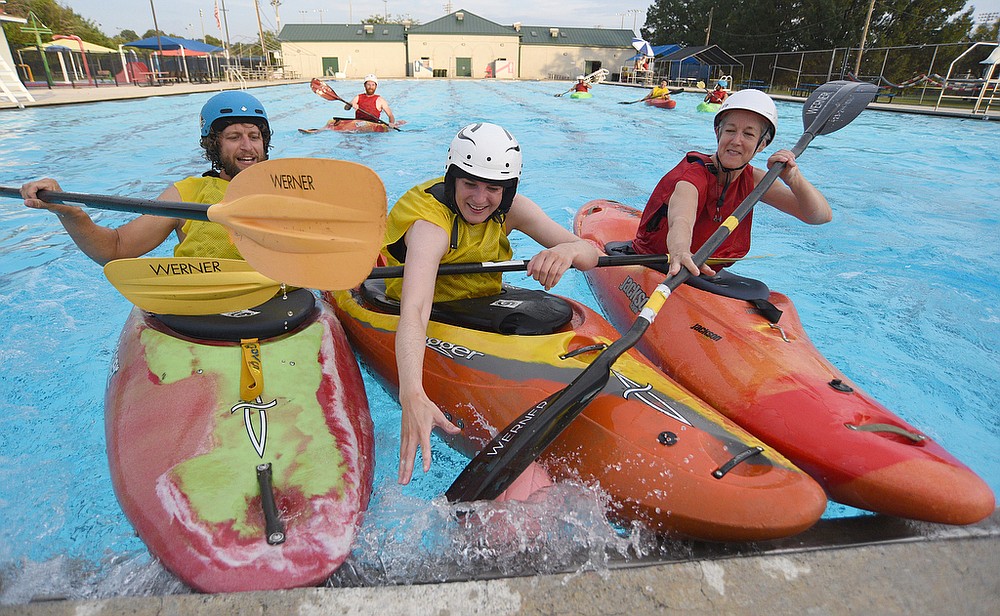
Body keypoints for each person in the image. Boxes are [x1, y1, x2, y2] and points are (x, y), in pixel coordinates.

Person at [382, 122, 600, 485]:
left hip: (479, 302)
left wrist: (567, 249)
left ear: (508, 189)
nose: (480, 198)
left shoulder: (513, 209)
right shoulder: (430, 226)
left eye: (493, 188)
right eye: (470, 183)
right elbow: (415, 311)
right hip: (428, 305)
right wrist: (412, 393)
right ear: (452, 179)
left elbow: (591, 255)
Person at [20, 91, 272, 264]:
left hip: (279, 303)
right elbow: (116, 248)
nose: (247, 146)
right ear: (215, 144)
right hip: (206, 306)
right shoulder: (188, 194)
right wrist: (68, 212)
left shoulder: (285, 186)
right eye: (233, 137)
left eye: (254, 136)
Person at [632, 89, 831, 278]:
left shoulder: (754, 181)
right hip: (660, 261)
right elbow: (681, 218)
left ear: (761, 145)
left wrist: (793, 179)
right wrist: (680, 251)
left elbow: (818, 216)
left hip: (703, 272)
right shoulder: (693, 175)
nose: (736, 140)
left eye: (749, 134)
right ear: (718, 133)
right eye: (730, 130)